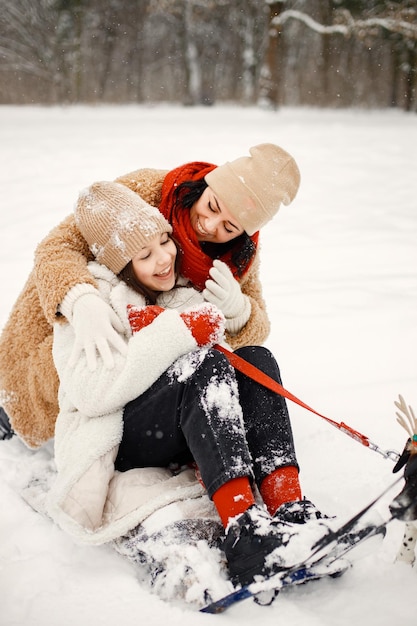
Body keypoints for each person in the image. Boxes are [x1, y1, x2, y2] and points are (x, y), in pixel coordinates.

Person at [47, 180, 331, 591]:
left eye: (165, 240)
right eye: (144, 255)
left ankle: (289, 506)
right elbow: (93, 395)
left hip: (174, 426)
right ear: (120, 263)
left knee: (255, 360)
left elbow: (222, 359)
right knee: (203, 365)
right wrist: (176, 332)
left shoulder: (176, 286)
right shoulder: (92, 305)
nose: (164, 258)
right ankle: (243, 527)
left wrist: (232, 312)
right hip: (119, 438)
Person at [0, 143, 300, 448]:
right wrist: (80, 300)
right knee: (57, 385)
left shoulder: (238, 257)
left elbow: (257, 326)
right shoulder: (147, 190)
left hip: (149, 360)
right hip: (88, 327)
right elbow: (56, 247)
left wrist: (239, 313)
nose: (209, 226)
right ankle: (11, 405)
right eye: (211, 206)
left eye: (230, 227)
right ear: (206, 184)